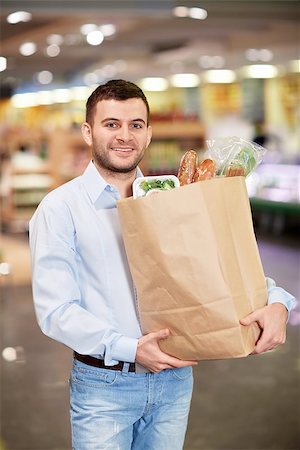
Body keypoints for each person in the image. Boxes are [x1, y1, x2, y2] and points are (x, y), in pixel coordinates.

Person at [29, 79, 295, 450]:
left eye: (136, 125)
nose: (125, 136)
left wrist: (280, 301)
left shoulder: (171, 197)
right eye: (112, 124)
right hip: (105, 388)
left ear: (149, 133)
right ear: (88, 132)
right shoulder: (60, 210)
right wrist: (130, 348)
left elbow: (220, 267)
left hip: (174, 382)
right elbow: (55, 311)